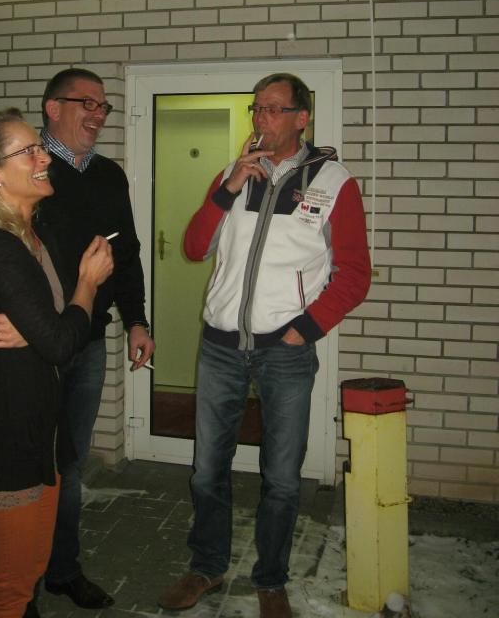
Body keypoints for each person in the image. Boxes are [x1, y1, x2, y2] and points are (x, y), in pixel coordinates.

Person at [157, 73, 371, 618]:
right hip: (221, 347)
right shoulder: (231, 175)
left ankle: (270, 580)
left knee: (281, 476)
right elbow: (194, 246)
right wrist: (227, 188)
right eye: (257, 109)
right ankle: (207, 565)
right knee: (208, 468)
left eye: (274, 109)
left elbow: (355, 274)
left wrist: (307, 327)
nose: (261, 118)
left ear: (302, 118)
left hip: (286, 351)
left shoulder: (334, 183)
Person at [0, 68, 155, 609]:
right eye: (86, 103)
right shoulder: (28, 178)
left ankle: (59, 568)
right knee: (27, 464)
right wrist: (28, 325)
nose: (98, 113)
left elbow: (126, 253)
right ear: (52, 108)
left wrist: (137, 319)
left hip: (84, 340)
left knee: (66, 462)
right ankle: (11, 582)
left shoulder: (108, 175)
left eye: (104, 106)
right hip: (40, 349)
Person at [0, 108, 114, 618]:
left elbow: (52, 327)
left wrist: (37, 332)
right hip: (1, 442)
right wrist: (87, 285)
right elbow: (61, 341)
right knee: (7, 594)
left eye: (40, 148)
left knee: (29, 574)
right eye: (28, 151)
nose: (43, 158)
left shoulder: (33, 235)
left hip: (39, 437)